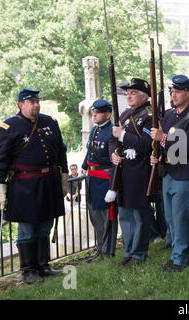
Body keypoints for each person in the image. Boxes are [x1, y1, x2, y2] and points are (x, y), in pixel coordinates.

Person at [0, 88, 67, 284]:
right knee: (27, 228)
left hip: (49, 182)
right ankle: (28, 270)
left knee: (45, 224)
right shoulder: (8, 127)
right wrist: (0, 189)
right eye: (31, 101)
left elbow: (61, 151)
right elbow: (0, 161)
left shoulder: (49, 122)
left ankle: (43, 266)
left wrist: (64, 176)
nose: (36, 104)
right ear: (21, 105)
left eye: (37, 101)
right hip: (24, 185)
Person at [150, 75, 189, 273]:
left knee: (180, 219)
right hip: (169, 172)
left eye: (177, 91)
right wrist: (158, 157)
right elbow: (163, 145)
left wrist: (163, 138)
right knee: (170, 218)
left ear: (187, 93)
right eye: (172, 91)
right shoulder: (170, 115)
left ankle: (180, 259)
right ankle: (175, 256)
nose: (173, 95)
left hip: (184, 174)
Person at [108, 78, 153, 267]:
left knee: (139, 215)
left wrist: (124, 136)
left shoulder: (150, 115)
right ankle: (129, 251)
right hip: (124, 170)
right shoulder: (126, 114)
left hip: (140, 170)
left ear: (144, 95)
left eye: (133, 92)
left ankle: (139, 253)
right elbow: (112, 139)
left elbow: (148, 144)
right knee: (125, 213)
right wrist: (113, 155)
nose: (129, 96)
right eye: (128, 93)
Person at [81, 99, 118, 263]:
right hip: (92, 179)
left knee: (106, 217)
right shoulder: (95, 130)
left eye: (97, 112)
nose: (93, 114)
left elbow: (115, 161)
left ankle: (107, 251)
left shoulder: (112, 132)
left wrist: (113, 187)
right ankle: (100, 248)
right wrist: (84, 166)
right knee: (95, 217)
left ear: (108, 114)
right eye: (93, 112)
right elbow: (90, 151)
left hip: (104, 180)